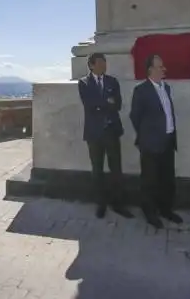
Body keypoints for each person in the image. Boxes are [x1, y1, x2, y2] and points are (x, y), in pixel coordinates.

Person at [129, 54, 183, 229]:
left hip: (168, 141)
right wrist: (146, 136)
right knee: (150, 181)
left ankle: (166, 209)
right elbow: (135, 116)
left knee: (167, 179)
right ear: (150, 69)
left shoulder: (166, 88)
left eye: (163, 66)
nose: (164, 69)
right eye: (160, 67)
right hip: (150, 144)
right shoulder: (141, 90)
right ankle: (150, 213)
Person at [77, 53, 132, 219]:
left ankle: (118, 203)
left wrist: (104, 104)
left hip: (112, 131)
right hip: (94, 134)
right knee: (97, 170)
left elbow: (118, 104)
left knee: (116, 169)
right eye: (100, 63)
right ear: (91, 65)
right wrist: (106, 103)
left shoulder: (112, 81)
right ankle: (101, 204)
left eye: (105, 63)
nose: (104, 66)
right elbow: (90, 105)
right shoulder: (84, 83)